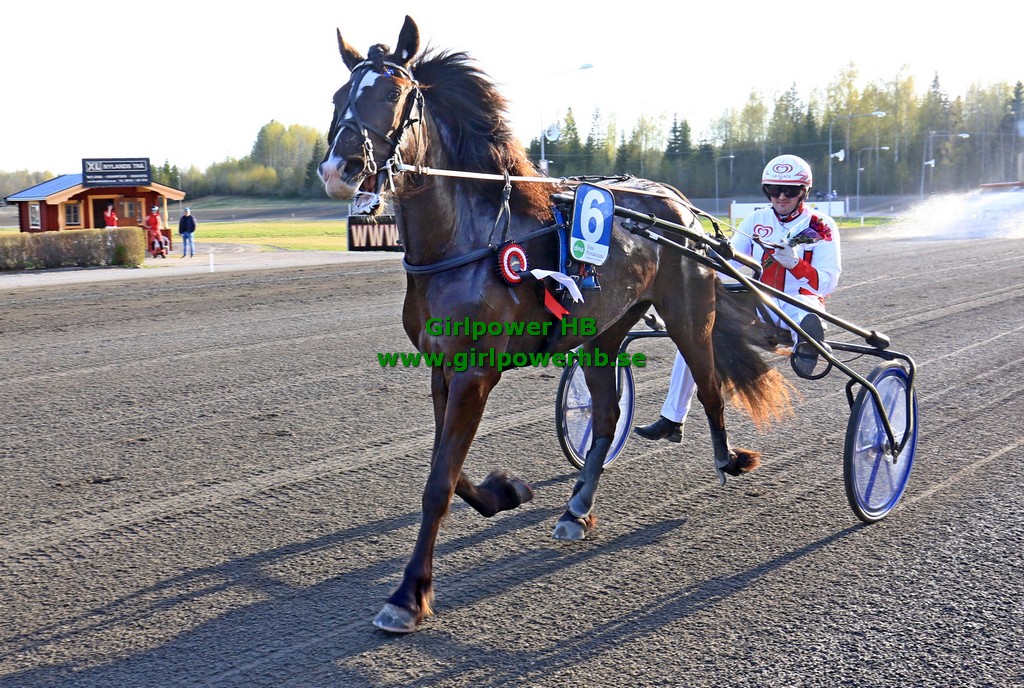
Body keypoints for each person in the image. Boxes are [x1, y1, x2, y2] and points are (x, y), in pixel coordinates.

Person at [634, 154, 842, 443]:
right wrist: (707, 252)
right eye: (773, 190)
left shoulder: (821, 225)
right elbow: (727, 263)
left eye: (790, 190)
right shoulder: (756, 220)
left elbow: (828, 280)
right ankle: (672, 418)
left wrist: (796, 264)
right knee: (695, 336)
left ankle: (807, 340)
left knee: (804, 310)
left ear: (804, 192)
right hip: (759, 303)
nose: (781, 197)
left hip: (799, 300)